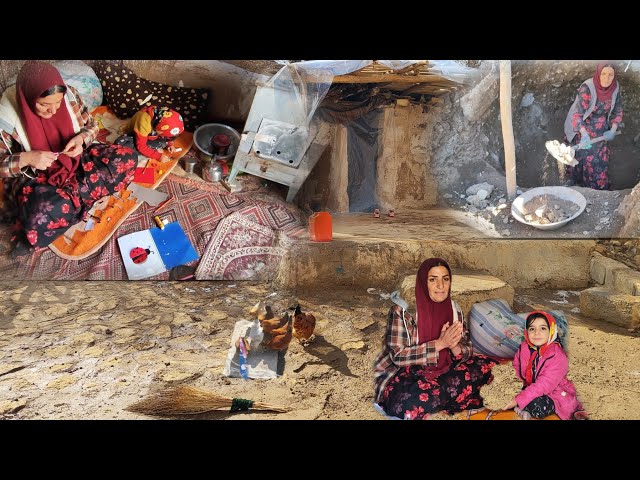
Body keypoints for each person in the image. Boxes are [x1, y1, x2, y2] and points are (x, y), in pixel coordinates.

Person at [0, 60, 137, 251]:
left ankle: (74, 200)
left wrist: (81, 139)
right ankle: (79, 196)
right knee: (40, 213)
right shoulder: (6, 116)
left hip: (78, 160)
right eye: (44, 105)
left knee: (125, 159)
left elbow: (92, 126)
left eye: (57, 103)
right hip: (38, 176)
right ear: (28, 99)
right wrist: (28, 158)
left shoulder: (69, 95)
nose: (53, 110)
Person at [373, 258, 497, 420]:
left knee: (486, 368)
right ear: (424, 283)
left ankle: (444, 398)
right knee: (411, 405)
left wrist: (454, 347)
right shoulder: (403, 312)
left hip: (446, 369)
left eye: (445, 279)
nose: (441, 286)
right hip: (409, 374)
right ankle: (446, 398)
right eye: (433, 280)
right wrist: (440, 344)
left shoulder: (454, 309)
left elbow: (467, 348)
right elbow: (398, 357)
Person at [503, 311, 588, 420]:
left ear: (551, 331)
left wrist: (517, 400)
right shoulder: (524, 347)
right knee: (501, 390)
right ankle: (521, 405)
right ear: (526, 331)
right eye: (532, 329)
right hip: (530, 386)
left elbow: (544, 384)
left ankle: (521, 406)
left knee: (538, 406)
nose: (536, 333)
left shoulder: (557, 355)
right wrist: (511, 387)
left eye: (542, 328)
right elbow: (516, 368)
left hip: (555, 392)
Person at [563, 61, 623, 190]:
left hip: (601, 131)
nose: (607, 78)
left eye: (610, 75)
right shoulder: (588, 88)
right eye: (604, 74)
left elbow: (618, 110)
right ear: (598, 73)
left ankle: (597, 193)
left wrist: (613, 129)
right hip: (580, 128)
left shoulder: (615, 87)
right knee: (578, 159)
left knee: (597, 166)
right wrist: (584, 134)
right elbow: (577, 115)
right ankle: (575, 185)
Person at [114, 105, 184, 162]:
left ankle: (156, 142)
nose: (165, 137)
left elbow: (168, 134)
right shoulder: (144, 122)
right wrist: (158, 156)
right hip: (135, 134)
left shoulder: (161, 117)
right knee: (121, 145)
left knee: (163, 142)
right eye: (164, 136)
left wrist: (170, 144)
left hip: (153, 134)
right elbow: (141, 146)